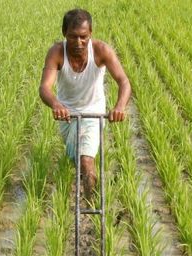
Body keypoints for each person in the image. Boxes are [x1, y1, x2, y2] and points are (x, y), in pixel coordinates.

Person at [39, 8, 131, 200]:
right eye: (73, 37)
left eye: (83, 37)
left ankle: (90, 203)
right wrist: (56, 104)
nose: (79, 42)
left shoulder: (101, 50)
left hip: (93, 112)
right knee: (76, 158)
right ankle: (84, 189)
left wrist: (119, 106)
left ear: (90, 33)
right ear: (64, 33)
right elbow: (45, 87)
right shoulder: (57, 52)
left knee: (87, 161)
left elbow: (123, 81)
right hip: (67, 114)